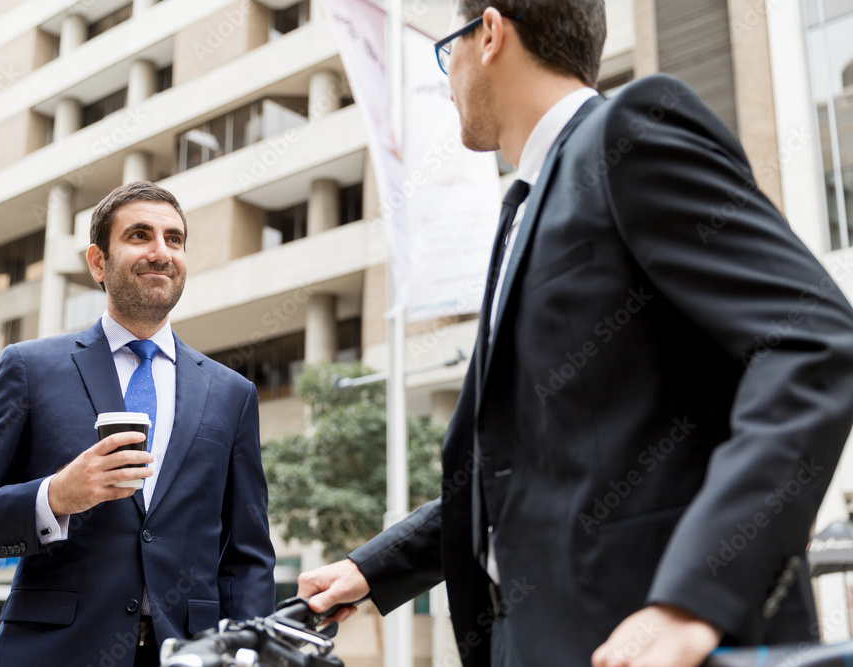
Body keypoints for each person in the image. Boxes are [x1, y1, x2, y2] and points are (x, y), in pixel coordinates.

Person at [296, 2, 853, 666]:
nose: (449, 80)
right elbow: (522, 468)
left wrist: (693, 599)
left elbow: (811, 338)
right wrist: (374, 569)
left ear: (491, 33)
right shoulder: (521, 210)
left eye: (450, 52)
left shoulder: (630, 129)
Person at [0, 181, 275, 667]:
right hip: (54, 653)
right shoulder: (28, 369)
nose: (161, 252)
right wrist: (55, 497)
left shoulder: (232, 393)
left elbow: (248, 556)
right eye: (140, 235)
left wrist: (247, 654)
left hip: (186, 653)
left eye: (173, 239)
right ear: (98, 261)